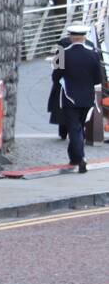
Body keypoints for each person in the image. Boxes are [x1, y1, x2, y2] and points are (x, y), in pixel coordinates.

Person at [52, 23, 102, 173]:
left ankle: (80, 158)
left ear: (70, 37)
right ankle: (74, 157)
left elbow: (55, 77)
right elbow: (98, 79)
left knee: (74, 128)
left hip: (69, 96)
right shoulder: (94, 54)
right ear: (84, 37)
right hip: (87, 97)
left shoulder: (62, 53)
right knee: (79, 127)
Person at [47, 31, 74, 141]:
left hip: (64, 80)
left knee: (61, 105)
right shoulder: (90, 44)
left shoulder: (63, 44)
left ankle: (63, 132)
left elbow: (58, 64)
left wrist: (55, 78)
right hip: (81, 82)